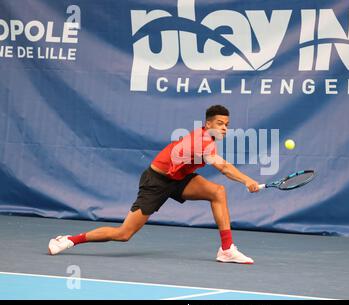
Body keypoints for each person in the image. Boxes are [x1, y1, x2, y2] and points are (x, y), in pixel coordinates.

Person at [48, 105, 260, 264]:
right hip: (156, 182)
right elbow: (223, 168)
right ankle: (69, 240)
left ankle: (226, 249)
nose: (225, 128)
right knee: (123, 234)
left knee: (217, 192)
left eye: (227, 125)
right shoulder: (202, 141)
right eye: (220, 124)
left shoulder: (208, 140)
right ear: (208, 124)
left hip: (179, 179)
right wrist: (247, 180)